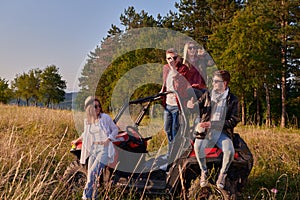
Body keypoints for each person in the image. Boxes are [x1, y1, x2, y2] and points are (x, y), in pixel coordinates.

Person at [189, 70, 239, 189]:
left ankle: (222, 174)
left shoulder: (232, 99)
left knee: (230, 151)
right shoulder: (208, 95)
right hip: (206, 132)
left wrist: (214, 124)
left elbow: (234, 120)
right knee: (198, 147)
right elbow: (198, 106)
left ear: (225, 83)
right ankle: (204, 172)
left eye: (216, 81)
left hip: (222, 133)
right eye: (213, 81)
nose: (213, 84)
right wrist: (191, 106)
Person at [71, 96, 118, 199]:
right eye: (94, 107)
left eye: (98, 106)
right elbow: (85, 134)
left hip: (103, 149)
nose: (97, 109)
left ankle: (85, 198)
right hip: (93, 149)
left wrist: (108, 140)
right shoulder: (87, 121)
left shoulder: (105, 117)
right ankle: (94, 197)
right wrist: (77, 140)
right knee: (90, 177)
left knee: (92, 173)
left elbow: (115, 130)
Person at [160, 48, 190, 156]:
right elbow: (165, 82)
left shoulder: (183, 69)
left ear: (178, 58)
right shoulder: (165, 68)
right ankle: (171, 151)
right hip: (168, 103)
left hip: (178, 103)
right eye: (169, 58)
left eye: (174, 58)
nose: (171, 60)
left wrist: (174, 70)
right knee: (167, 128)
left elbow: (182, 84)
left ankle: (173, 153)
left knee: (175, 130)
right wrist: (161, 91)